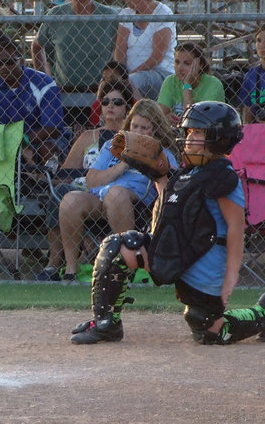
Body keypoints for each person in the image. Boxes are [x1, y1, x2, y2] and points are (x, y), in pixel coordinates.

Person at [70, 102, 265, 345]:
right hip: (178, 250)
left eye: (198, 133)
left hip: (203, 264)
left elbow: (237, 229)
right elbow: (169, 212)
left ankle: (262, 314)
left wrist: (231, 277)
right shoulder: (187, 173)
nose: (189, 139)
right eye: (189, 132)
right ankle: (106, 324)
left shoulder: (224, 178)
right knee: (121, 246)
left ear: (219, 140)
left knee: (207, 329)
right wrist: (159, 177)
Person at [58, 99, 178, 284]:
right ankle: (71, 269)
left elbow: (169, 186)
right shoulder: (113, 147)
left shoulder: (162, 152)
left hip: (137, 200)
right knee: (70, 200)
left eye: (144, 128)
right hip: (102, 197)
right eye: (134, 126)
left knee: (116, 193)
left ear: (154, 129)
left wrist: (146, 161)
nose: (138, 132)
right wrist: (124, 163)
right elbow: (91, 181)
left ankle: (128, 266)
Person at [36, 80, 134, 281]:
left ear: (127, 108)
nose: (111, 107)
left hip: (118, 193)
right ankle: (55, 262)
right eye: (106, 102)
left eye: (117, 102)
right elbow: (65, 172)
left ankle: (91, 252)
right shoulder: (88, 137)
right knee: (62, 191)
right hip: (84, 191)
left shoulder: (133, 137)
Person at [31, 0, 118, 132]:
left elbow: (121, 51)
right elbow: (36, 46)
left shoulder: (109, 16)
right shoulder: (56, 15)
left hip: (99, 91)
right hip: (64, 91)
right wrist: (46, 80)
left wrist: (113, 80)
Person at [0, 39, 68, 167]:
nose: (3, 67)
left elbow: (53, 128)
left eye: (10, 62)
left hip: (39, 140)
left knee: (48, 148)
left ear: (22, 61)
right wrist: (13, 143)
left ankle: (49, 184)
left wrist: (23, 141)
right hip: (3, 141)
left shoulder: (44, 83)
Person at [114, 0, 176, 100]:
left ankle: (140, 111)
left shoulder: (162, 13)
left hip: (158, 72)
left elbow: (156, 57)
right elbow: (120, 51)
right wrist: (120, 75)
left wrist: (129, 77)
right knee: (108, 84)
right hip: (130, 75)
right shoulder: (126, 14)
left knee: (130, 83)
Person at [158, 42, 225, 125]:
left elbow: (192, 121)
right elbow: (159, 116)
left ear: (200, 65)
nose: (180, 68)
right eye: (177, 62)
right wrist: (166, 119)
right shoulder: (170, 81)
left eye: (186, 63)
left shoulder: (214, 84)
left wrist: (187, 84)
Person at [88, 61, 137, 126]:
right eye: (105, 79)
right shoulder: (98, 104)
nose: (108, 82)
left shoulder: (134, 104)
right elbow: (94, 126)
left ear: (125, 81)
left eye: (112, 78)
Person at [239, 23, 265, 123]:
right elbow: (247, 110)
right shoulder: (251, 75)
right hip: (259, 132)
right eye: (259, 40)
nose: (262, 45)